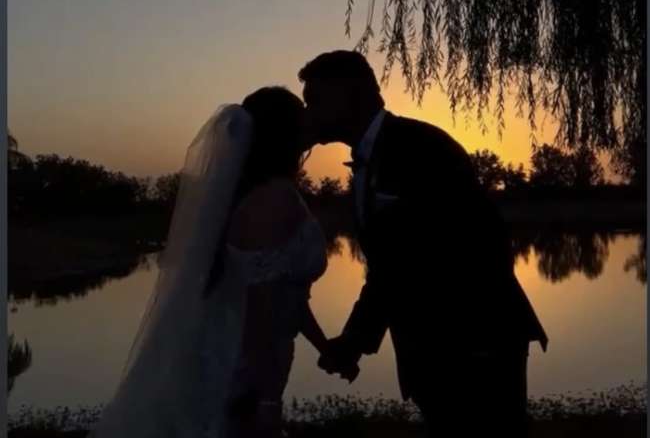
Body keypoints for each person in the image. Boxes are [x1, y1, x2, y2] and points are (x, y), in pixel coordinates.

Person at [299, 50, 548, 437]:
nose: (308, 112)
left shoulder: (418, 148)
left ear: (351, 93)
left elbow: (461, 251)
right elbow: (389, 265)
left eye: (314, 100)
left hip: (475, 346)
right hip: (436, 350)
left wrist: (355, 339)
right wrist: (356, 339)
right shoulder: (373, 159)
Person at [89, 86, 342, 438]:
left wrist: (324, 345)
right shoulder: (273, 200)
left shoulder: (273, 193)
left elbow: (288, 294)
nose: (310, 119)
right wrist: (266, 400)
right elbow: (261, 309)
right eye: (301, 113)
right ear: (283, 132)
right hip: (241, 367)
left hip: (253, 359)